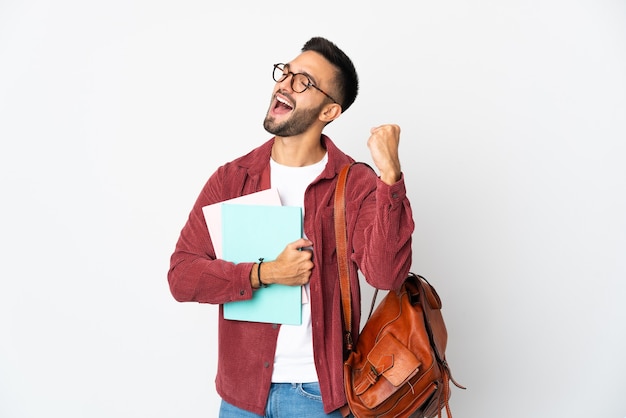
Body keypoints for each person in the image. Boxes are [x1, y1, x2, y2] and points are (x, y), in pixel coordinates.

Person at [168, 36, 414, 417]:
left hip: (319, 396)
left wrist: (390, 179)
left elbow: (385, 275)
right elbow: (181, 276)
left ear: (330, 111)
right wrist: (264, 273)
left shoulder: (357, 184)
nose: (284, 83)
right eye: (286, 72)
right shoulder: (233, 179)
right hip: (241, 397)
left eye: (304, 81)